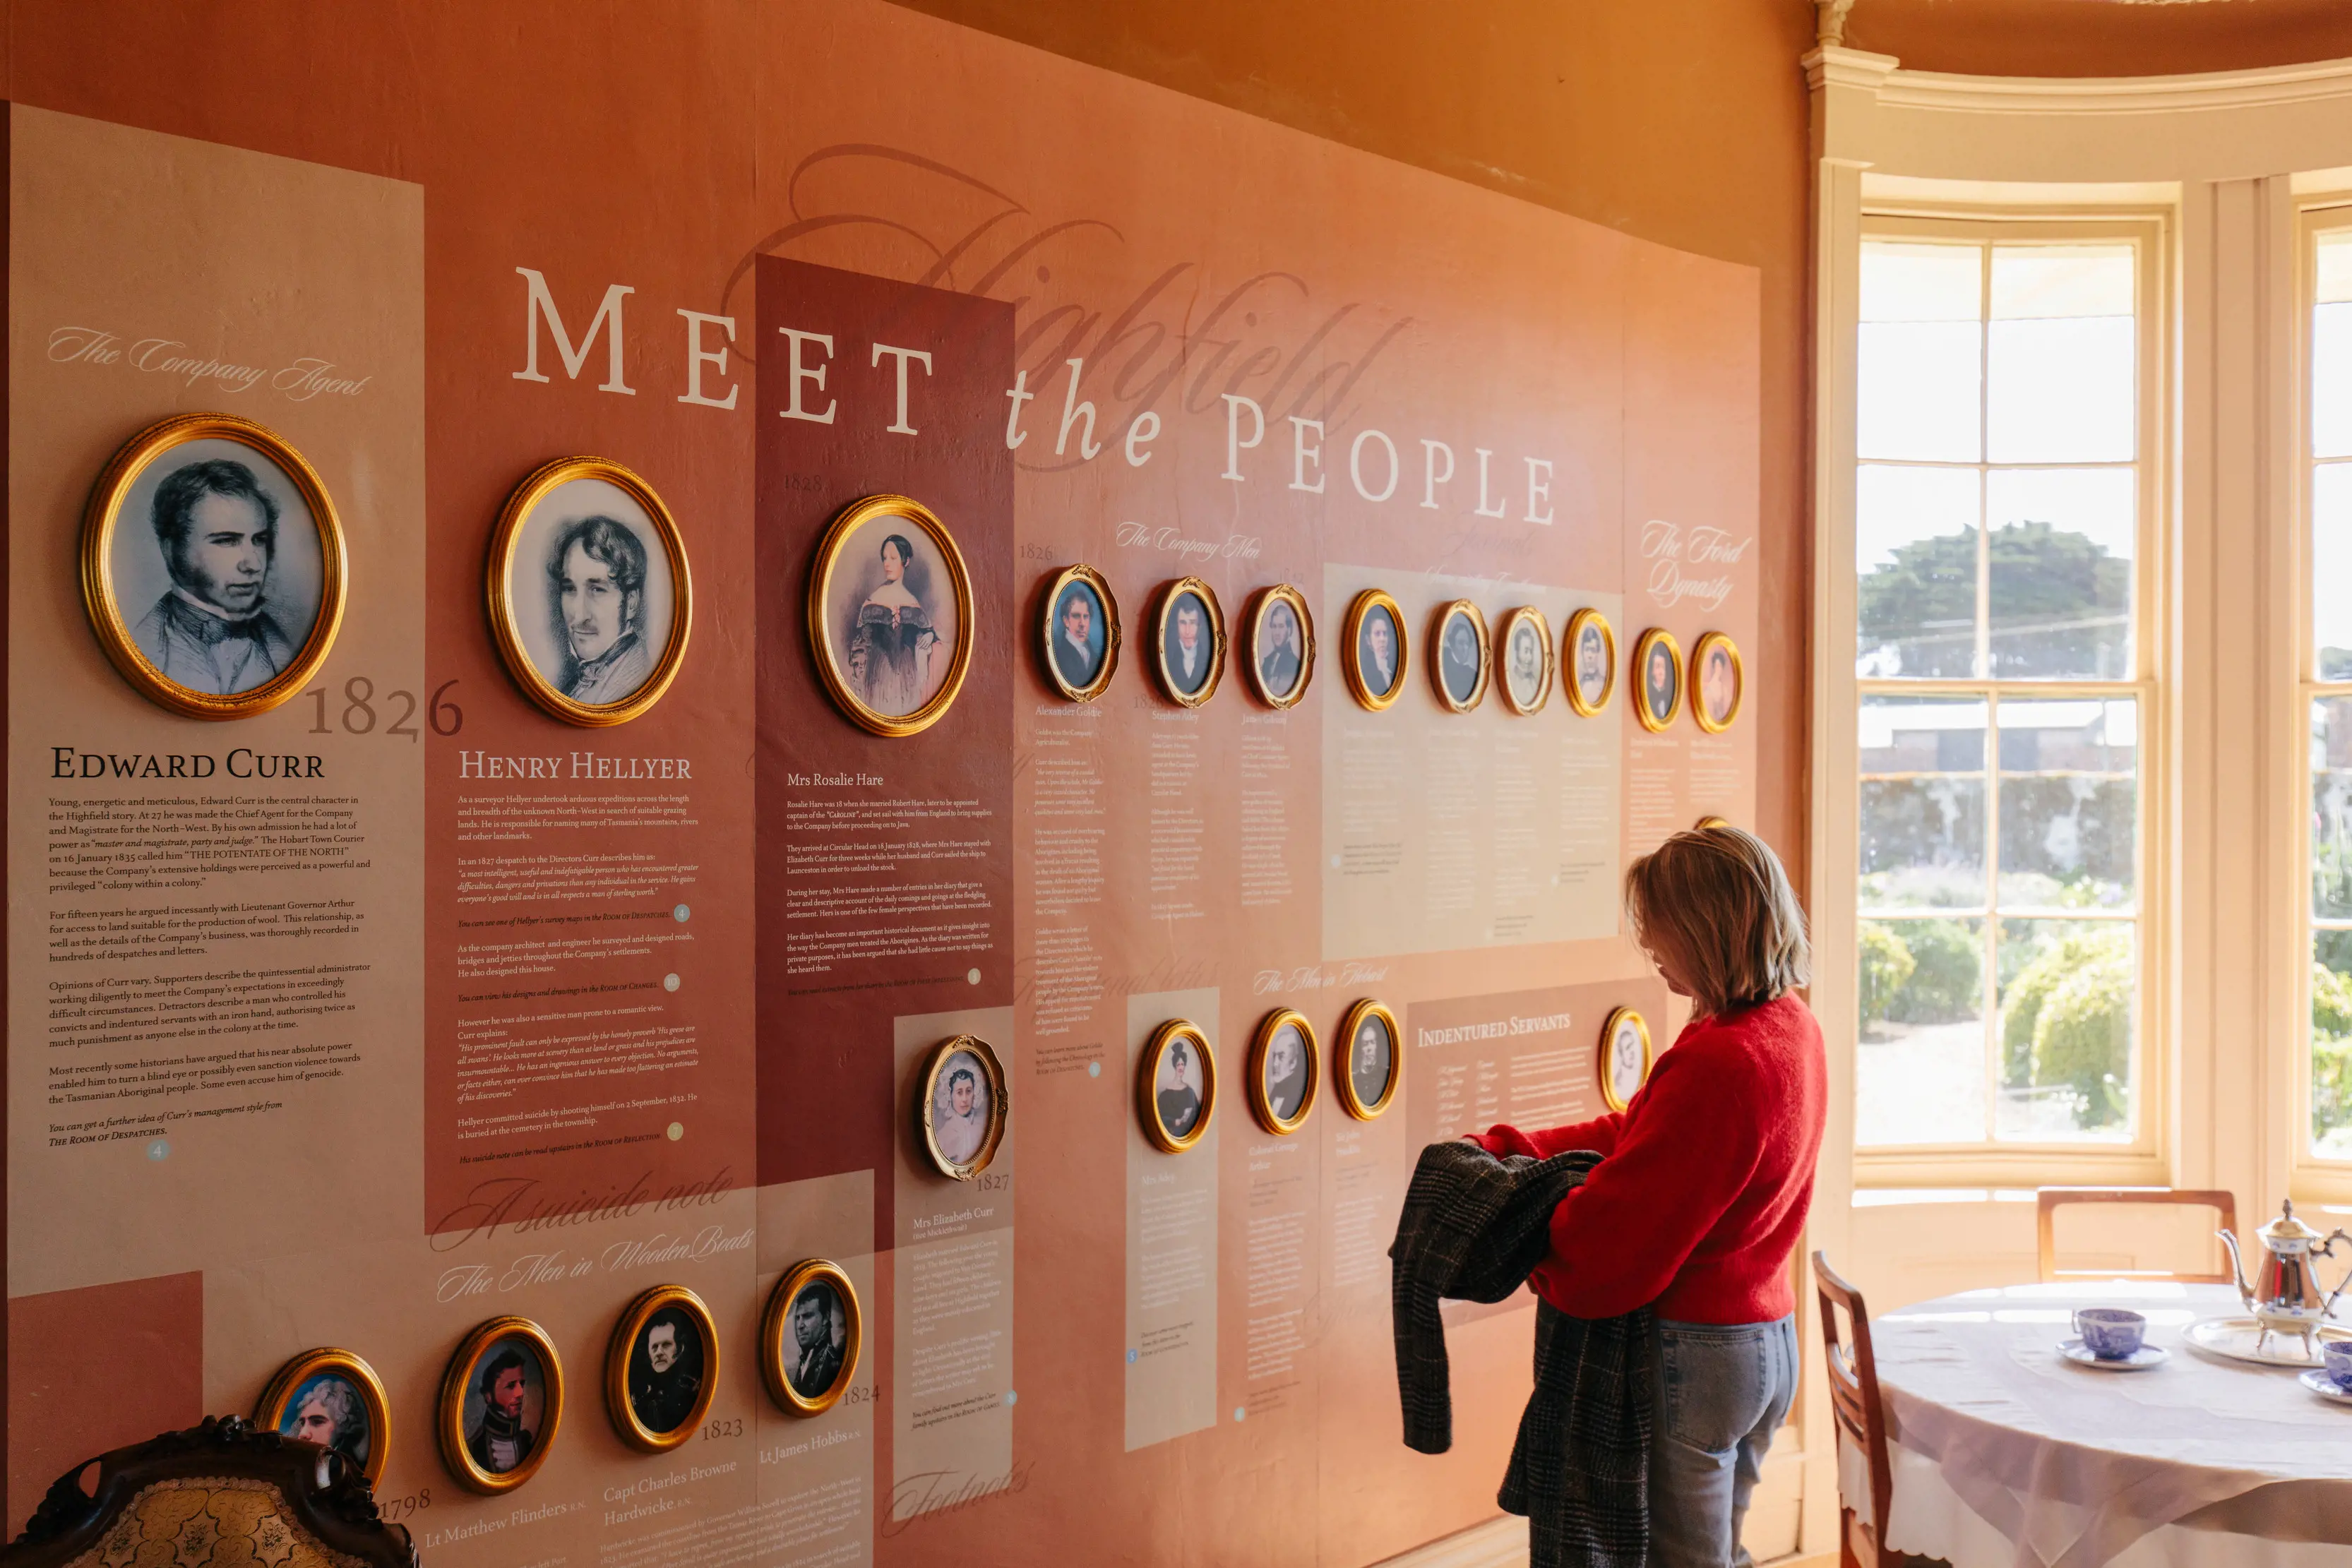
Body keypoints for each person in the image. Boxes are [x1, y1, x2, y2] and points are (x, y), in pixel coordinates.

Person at [1465, 825, 1823, 1568]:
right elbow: (1643, 1133)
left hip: (1693, 1355)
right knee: (1717, 1553)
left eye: (1656, 924)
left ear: (1704, 927)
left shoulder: (1719, 1059)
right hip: (1765, 1343)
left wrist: (1522, 1225)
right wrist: (1522, 1146)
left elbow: (1613, 1247)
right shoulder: (1789, 1025)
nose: (1645, 941)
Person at [131, 457, 298, 695]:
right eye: (227, 541)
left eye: (259, 540)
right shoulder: (143, 645)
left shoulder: (284, 650)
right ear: (171, 549)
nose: (254, 564)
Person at [549, 515, 652, 704]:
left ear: (631, 603)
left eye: (597, 590)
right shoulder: (577, 682)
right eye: (569, 589)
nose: (579, 616)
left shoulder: (633, 682)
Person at [848, 532, 940, 716]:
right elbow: (861, 645)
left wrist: (929, 635)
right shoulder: (872, 601)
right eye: (884, 558)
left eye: (893, 558)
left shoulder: (913, 603)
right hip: (878, 673)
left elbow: (928, 631)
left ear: (905, 562)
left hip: (907, 673)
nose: (887, 564)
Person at [466, 1348, 537, 1474]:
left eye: (522, 1384)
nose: (520, 1393)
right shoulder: (474, 1448)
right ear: (488, 1396)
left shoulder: (526, 1442)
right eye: (511, 1386)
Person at [631, 1311, 703, 1434]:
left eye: (666, 1345)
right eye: (654, 1347)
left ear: (679, 1349)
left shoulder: (690, 1393)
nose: (659, 1352)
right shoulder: (640, 1398)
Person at [282, 1374, 368, 1468]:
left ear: (342, 1425)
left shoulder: (351, 1472)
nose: (303, 1434)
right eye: (302, 1423)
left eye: (317, 1422)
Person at [789, 1283, 845, 1397]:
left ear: (825, 1318)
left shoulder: (834, 1362)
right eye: (797, 1318)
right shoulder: (805, 1359)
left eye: (807, 1316)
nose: (800, 1325)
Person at [933, 1060, 990, 1163]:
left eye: (968, 1091)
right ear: (950, 1096)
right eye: (959, 1093)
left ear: (975, 1092)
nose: (964, 1099)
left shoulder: (984, 1126)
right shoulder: (944, 1135)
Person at [1054, 584, 1100, 688]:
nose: (1082, 624)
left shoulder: (1094, 656)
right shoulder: (1058, 655)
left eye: (1086, 617)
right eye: (1076, 616)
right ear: (1066, 621)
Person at [1156, 1038, 1202, 1135]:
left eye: (1182, 1064)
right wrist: (1174, 1121)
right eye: (1178, 1064)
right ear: (1174, 1067)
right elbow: (1159, 1117)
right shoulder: (1165, 1094)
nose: (1181, 1067)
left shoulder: (1189, 1092)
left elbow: (1198, 1117)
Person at [1258, 600, 1302, 695]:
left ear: (1289, 630)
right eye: (1274, 626)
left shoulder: (1294, 664)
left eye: (1281, 626)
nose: (1277, 633)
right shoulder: (1267, 662)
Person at [1166, 596, 1210, 692]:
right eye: (1183, 623)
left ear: (1199, 626)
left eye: (1192, 623)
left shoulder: (1207, 659)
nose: (1187, 631)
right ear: (1177, 626)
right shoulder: (1168, 659)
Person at [1265, 1026, 1308, 1120]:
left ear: (1293, 1063)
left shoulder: (1296, 1096)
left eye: (1281, 1057)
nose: (1275, 1064)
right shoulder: (1275, 1092)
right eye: (1275, 1056)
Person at [1351, 1019, 1392, 1107]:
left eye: (1372, 1043)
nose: (1369, 1048)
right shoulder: (1353, 1079)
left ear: (1376, 1046)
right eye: (1365, 1044)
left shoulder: (1385, 1074)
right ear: (1360, 1048)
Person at [1442, 614, 1481, 702]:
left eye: (1467, 644)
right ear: (1452, 643)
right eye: (1461, 643)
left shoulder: (1471, 674)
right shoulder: (1445, 663)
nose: (1465, 648)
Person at [1362, 608, 1398, 695]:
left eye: (1384, 634)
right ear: (1368, 640)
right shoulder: (1366, 670)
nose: (1382, 639)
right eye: (1377, 634)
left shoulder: (1393, 667)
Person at [1645, 641, 1678, 722]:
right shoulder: (1649, 695)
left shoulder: (1669, 696)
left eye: (1663, 667)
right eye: (1658, 667)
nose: (1661, 671)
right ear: (1652, 671)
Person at [1703, 646, 1737, 723]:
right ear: (1714, 667)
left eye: (1721, 666)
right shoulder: (1710, 687)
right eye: (1717, 666)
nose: (1719, 669)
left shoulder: (1723, 688)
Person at [1577, 623, 1608, 705]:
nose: (1590, 656)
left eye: (1593, 650)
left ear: (1598, 653)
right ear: (1582, 652)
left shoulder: (1603, 685)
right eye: (1587, 650)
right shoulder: (1579, 684)